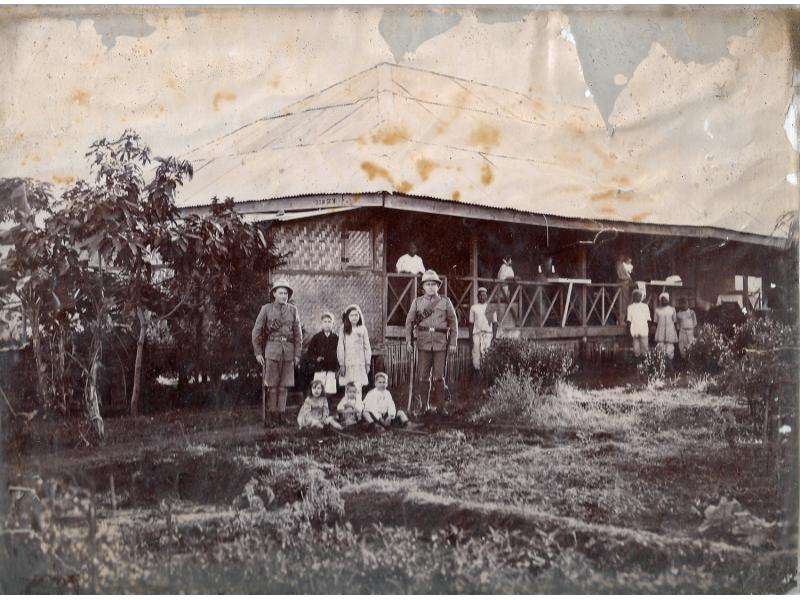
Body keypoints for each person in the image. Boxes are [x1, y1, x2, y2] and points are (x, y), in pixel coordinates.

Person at [405, 269, 458, 413]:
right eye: (427, 284)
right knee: (423, 376)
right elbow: (409, 322)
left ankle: (441, 407)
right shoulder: (417, 302)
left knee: (439, 376)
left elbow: (453, 323)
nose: (430, 287)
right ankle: (424, 406)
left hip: (441, 343)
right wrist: (408, 341)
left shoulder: (445, 302)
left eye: (433, 284)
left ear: (438, 286)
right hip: (423, 343)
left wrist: (453, 342)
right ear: (423, 287)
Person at [252, 280, 302, 428]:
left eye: (286, 293)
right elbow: (256, 332)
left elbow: (298, 335)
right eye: (280, 293)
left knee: (284, 386)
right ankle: (272, 417)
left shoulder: (293, 310)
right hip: (271, 351)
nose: (283, 296)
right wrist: (258, 353)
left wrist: (297, 354)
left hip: (288, 351)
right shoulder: (266, 309)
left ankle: (281, 416)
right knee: (272, 385)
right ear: (274, 294)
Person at [337, 304, 372, 401]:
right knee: (348, 386)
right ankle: (348, 408)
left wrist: (367, 363)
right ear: (347, 317)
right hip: (348, 363)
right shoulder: (343, 329)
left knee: (358, 386)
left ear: (360, 316)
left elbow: (367, 347)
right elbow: (341, 347)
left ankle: (358, 408)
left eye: (356, 315)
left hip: (359, 363)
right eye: (351, 315)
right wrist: (342, 364)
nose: (354, 317)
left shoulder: (363, 329)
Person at [306, 311, 339, 400]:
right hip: (320, 369)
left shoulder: (336, 338)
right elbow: (310, 352)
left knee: (329, 391)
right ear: (321, 323)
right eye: (325, 322)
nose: (327, 324)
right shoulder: (316, 337)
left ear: (333, 324)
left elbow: (340, 353)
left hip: (331, 369)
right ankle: (318, 409)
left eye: (329, 322)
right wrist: (316, 358)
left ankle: (327, 408)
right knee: (318, 390)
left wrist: (337, 368)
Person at [469, 287, 497, 371]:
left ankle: (486, 373)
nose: (482, 297)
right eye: (480, 295)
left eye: (484, 295)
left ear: (486, 296)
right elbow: (471, 323)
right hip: (477, 334)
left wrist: (494, 337)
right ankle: (477, 372)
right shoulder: (474, 307)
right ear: (477, 296)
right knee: (476, 354)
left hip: (488, 334)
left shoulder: (491, 308)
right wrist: (470, 337)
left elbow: (495, 323)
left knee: (486, 353)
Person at [626, 288, 651, 359]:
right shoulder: (630, 307)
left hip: (644, 330)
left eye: (639, 296)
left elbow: (648, 319)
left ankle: (645, 365)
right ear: (633, 297)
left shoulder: (645, 306)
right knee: (636, 349)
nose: (637, 297)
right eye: (635, 296)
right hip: (634, 331)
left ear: (641, 297)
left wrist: (648, 331)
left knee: (645, 349)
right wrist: (629, 332)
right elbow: (629, 321)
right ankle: (638, 364)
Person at [654, 292, 679, 360]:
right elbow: (655, 322)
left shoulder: (672, 309)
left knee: (670, 348)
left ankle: (669, 362)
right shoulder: (657, 310)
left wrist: (676, 332)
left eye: (665, 299)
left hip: (670, 331)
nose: (664, 301)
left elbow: (675, 321)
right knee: (660, 347)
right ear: (660, 300)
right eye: (662, 299)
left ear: (668, 300)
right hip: (660, 330)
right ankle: (661, 363)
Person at [616, 254, 634, 321]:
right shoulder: (619, 264)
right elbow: (620, 276)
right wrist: (628, 278)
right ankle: (621, 319)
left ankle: (623, 319)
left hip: (626, 285)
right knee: (622, 302)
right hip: (622, 285)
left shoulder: (624, 265)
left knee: (625, 301)